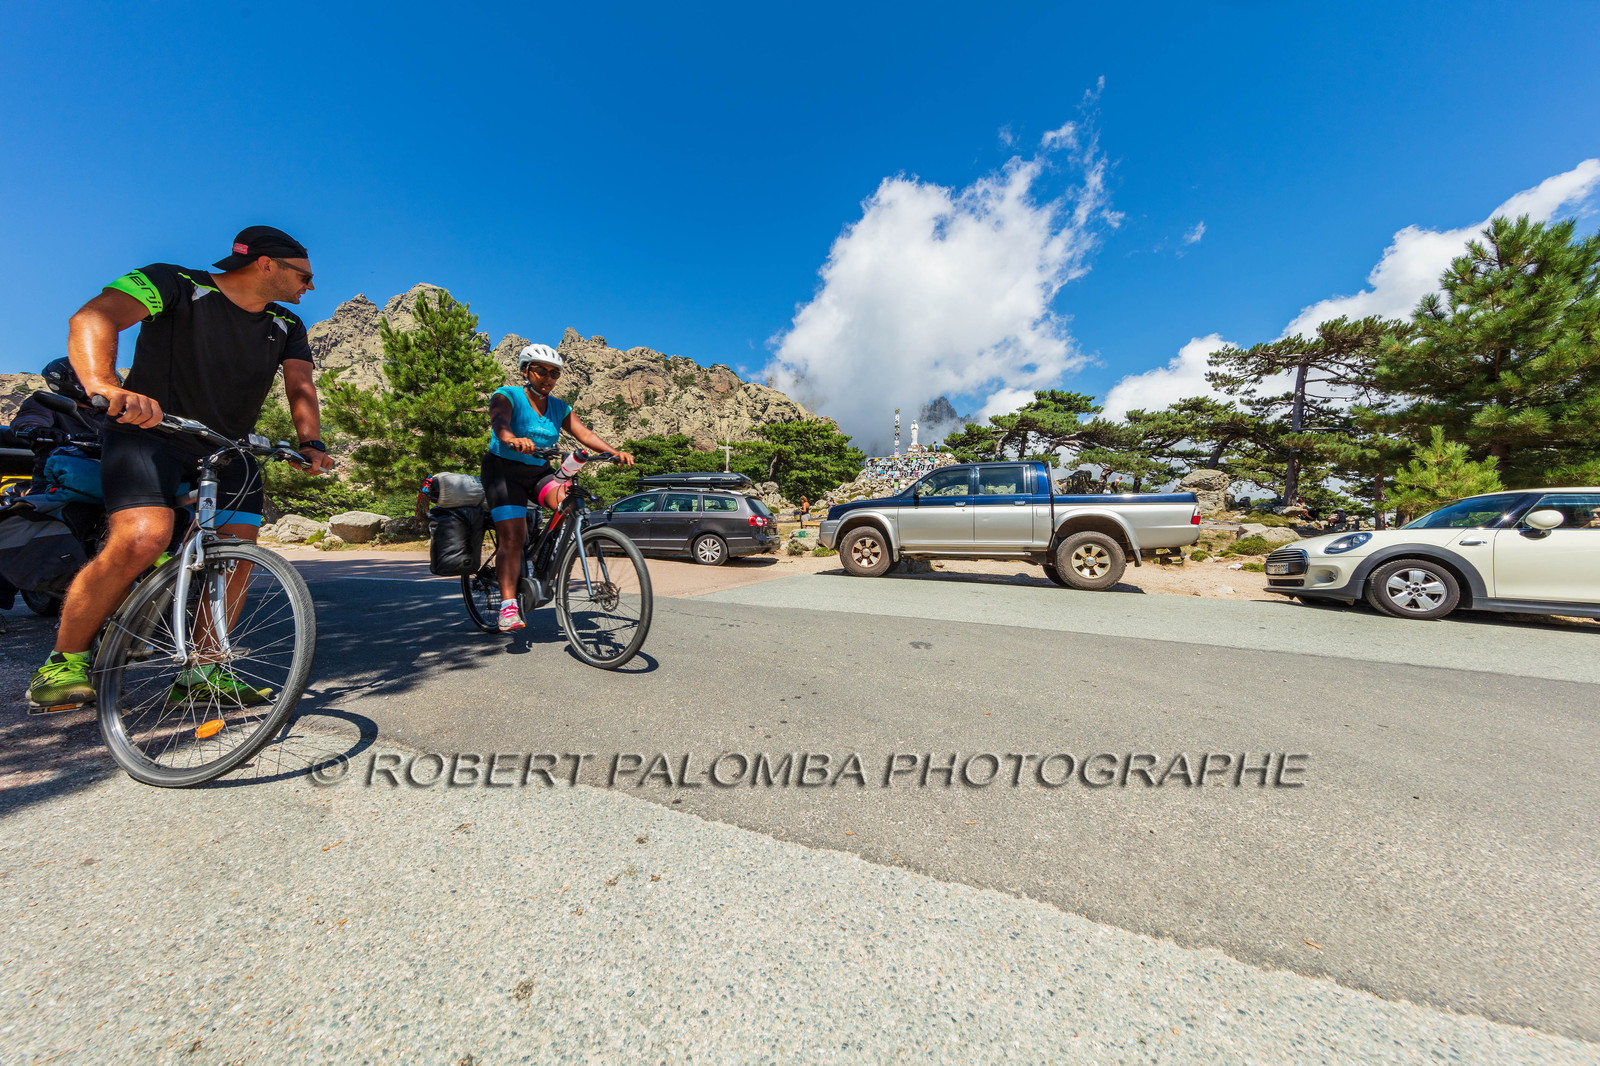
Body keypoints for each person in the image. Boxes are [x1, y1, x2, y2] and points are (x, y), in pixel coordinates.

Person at [27, 226, 333, 710]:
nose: (310, 287)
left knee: (235, 556)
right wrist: (106, 384)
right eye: (304, 275)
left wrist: (310, 442)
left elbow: (300, 386)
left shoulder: (285, 324)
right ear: (266, 264)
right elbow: (93, 316)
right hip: (149, 435)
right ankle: (64, 662)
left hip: (227, 449)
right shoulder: (174, 281)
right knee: (143, 538)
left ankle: (205, 670)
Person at [483, 344, 633, 631]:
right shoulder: (508, 395)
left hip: (538, 472)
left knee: (569, 502)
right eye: (541, 370)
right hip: (503, 471)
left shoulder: (559, 407)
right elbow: (499, 423)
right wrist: (512, 438)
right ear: (526, 370)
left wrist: (614, 452)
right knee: (513, 537)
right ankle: (508, 607)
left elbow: (584, 433)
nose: (548, 377)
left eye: (555, 373)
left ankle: (544, 558)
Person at [9, 358, 109, 488]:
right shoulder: (48, 403)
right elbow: (31, 418)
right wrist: (36, 429)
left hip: (110, 473)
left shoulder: (112, 413)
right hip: (59, 478)